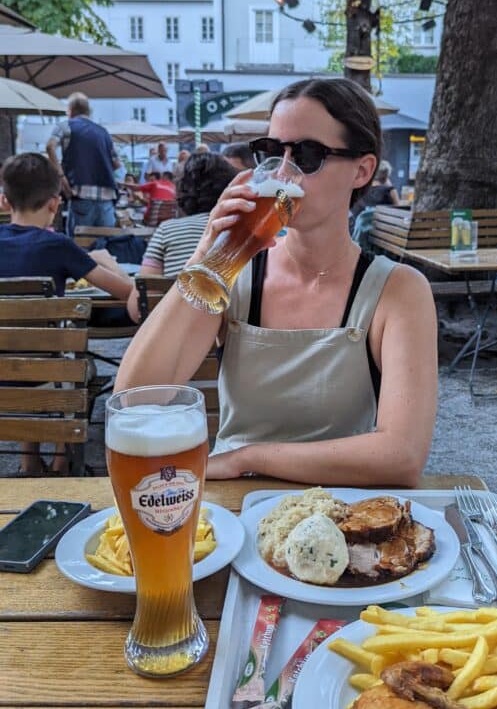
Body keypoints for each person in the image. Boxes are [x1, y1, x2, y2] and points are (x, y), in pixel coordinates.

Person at [116, 78, 437, 488]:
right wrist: (205, 257)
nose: (284, 171)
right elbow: (136, 400)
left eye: (306, 154)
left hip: (342, 515)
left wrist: (248, 458)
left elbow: (402, 456)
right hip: (232, 517)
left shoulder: (398, 290)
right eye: (271, 151)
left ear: (362, 170)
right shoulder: (236, 277)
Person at [0, 153, 139, 474]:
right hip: (48, 379)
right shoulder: (59, 246)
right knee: (68, 362)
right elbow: (130, 293)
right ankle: (63, 460)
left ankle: (29, 461)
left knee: (30, 348)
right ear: (54, 203)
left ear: (5, 201)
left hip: (6, 371)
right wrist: (106, 261)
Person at [46, 92, 120, 234]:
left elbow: (50, 146)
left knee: (80, 248)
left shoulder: (65, 126)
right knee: (104, 247)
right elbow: (116, 164)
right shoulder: (104, 132)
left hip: (81, 195)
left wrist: (61, 177)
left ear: (70, 110)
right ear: (89, 111)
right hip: (107, 199)